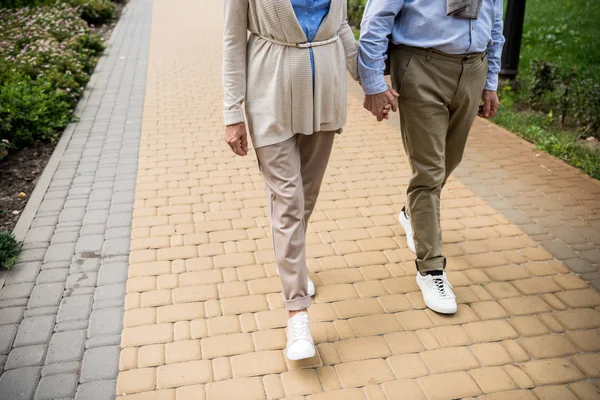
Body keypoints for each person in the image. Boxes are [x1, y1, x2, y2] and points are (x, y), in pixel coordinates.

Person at [222, 0, 363, 360]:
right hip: (268, 94)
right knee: (288, 201)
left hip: (325, 94)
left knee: (306, 198)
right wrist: (232, 112)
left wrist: (373, 81)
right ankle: (297, 312)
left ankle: (293, 267)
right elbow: (234, 39)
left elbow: (342, 27)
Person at [358, 0, 505, 314]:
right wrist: (372, 83)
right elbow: (377, 19)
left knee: (449, 161)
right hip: (421, 67)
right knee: (429, 171)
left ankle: (412, 214)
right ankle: (431, 269)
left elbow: (495, 24)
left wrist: (490, 81)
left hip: (473, 69)